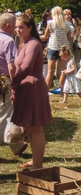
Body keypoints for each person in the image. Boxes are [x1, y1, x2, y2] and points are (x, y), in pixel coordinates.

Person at [11, 14, 52, 170]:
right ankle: (34, 160)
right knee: (29, 126)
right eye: (16, 27)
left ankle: (38, 164)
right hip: (25, 87)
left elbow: (27, 67)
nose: (18, 30)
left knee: (35, 127)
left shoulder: (33, 43)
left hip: (33, 88)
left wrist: (14, 81)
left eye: (21, 27)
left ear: (30, 27)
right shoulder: (23, 43)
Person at [0, 12, 27, 157]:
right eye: (14, 26)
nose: (16, 29)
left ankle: (17, 146)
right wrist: (15, 81)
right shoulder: (9, 41)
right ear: (8, 25)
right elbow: (11, 65)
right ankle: (16, 145)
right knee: (5, 113)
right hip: (4, 80)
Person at [42, 6, 73, 90]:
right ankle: (63, 91)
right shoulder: (68, 24)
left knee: (50, 71)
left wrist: (35, 36)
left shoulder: (50, 23)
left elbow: (45, 37)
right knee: (63, 70)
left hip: (53, 47)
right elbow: (68, 38)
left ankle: (45, 91)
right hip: (64, 49)